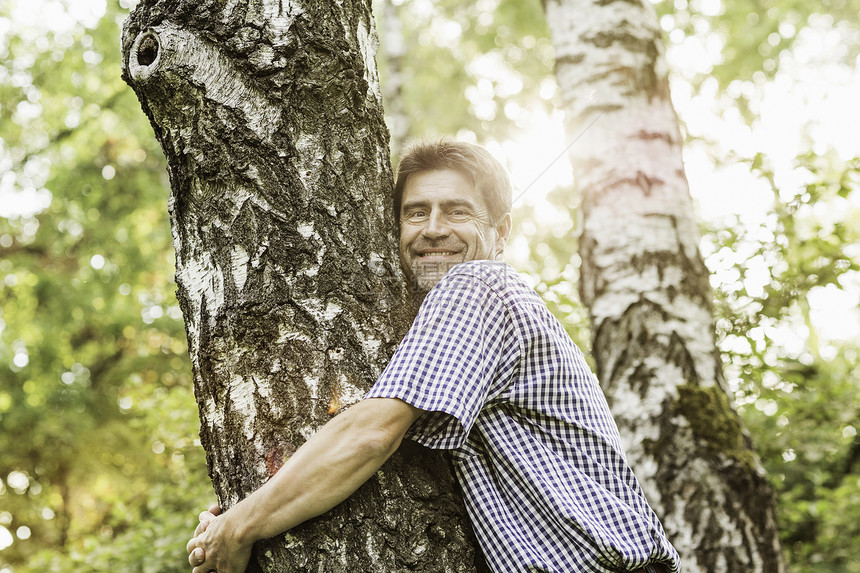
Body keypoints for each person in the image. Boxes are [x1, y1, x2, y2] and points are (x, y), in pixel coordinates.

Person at [185, 139, 681, 573]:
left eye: (458, 211)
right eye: (416, 212)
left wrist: (237, 526)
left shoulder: (478, 286)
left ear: (501, 231)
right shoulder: (464, 326)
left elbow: (371, 433)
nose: (433, 229)